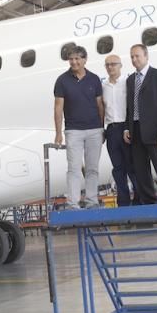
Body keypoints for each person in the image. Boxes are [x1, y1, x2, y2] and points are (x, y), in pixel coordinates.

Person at [54, 45, 105, 209]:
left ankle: (92, 201)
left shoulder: (94, 79)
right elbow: (58, 108)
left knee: (92, 168)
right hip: (73, 131)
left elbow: (100, 105)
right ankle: (72, 203)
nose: (74, 62)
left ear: (84, 60)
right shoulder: (62, 80)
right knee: (74, 168)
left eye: (77, 59)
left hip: (94, 130)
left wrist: (102, 127)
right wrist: (58, 133)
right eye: (71, 59)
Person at [125, 44, 157, 205]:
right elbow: (129, 107)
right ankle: (149, 204)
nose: (134, 59)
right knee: (141, 172)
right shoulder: (130, 80)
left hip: (155, 131)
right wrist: (127, 127)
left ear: (146, 56)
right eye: (132, 56)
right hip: (136, 131)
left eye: (137, 56)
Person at [102, 54, 138, 207]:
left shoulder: (127, 82)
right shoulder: (103, 86)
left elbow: (131, 106)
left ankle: (139, 200)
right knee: (118, 168)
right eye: (108, 65)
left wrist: (128, 128)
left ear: (120, 65)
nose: (111, 67)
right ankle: (123, 202)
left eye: (114, 64)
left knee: (132, 166)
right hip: (111, 130)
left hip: (126, 128)